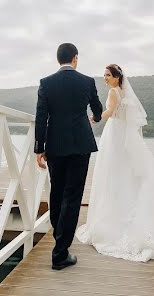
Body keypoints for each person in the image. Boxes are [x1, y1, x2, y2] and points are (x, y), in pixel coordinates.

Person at [75, 64, 154, 262]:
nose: (104, 78)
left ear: (116, 77)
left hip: (115, 134)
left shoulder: (114, 92)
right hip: (124, 133)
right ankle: (126, 211)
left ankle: (115, 218)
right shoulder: (124, 92)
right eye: (104, 75)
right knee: (125, 173)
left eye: (108, 75)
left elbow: (109, 112)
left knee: (112, 173)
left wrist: (93, 119)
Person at [34, 42, 103, 270]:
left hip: (54, 145)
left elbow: (41, 116)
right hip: (80, 144)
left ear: (58, 59)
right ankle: (60, 253)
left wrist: (39, 148)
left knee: (57, 192)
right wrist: (95, 117)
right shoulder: (87, 82)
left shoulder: (46, 83)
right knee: (72, 197)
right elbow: (98, 109)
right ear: (75, 58)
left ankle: (59, 237)